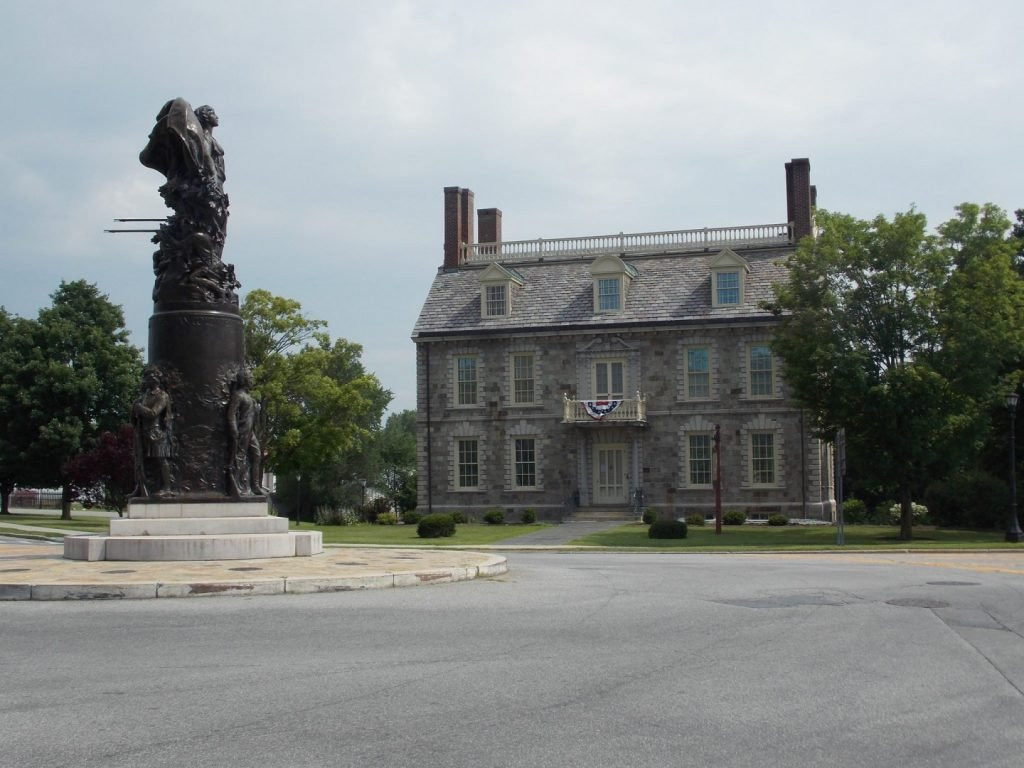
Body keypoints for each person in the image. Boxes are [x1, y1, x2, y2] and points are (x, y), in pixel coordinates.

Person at [132, 368, 173, 497]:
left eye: (148, 378)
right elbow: (136, 414)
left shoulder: (162, 396)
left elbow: (153, 413)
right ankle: (141, 487)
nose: (146, 381)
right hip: (144, 432)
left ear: (155, 380)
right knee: (141, 460)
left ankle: (167, 487)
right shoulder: (145, 396)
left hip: (157, 433)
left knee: (161, 460)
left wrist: (139, 407)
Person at [226, 368, 267, 496]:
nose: (252, 380)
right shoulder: (238, 395)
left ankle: (254, 486)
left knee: (257, 455)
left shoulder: (249, 397)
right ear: (244, 380)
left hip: (250, 432)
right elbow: (231, 414)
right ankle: (236, 485)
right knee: (239, 457)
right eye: (250, 378)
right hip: (242, 431)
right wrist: (234, 429)